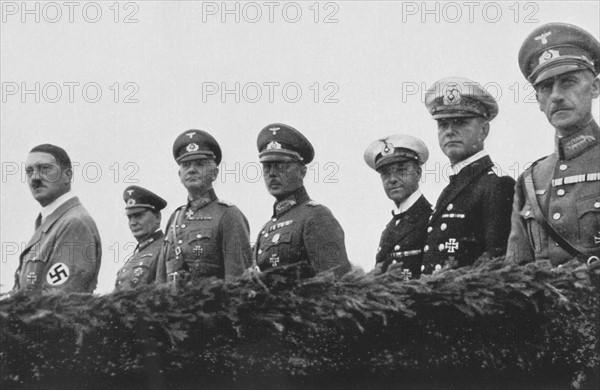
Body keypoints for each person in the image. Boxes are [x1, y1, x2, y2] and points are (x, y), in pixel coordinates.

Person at [506, 22, 600, 267]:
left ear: (595, 87)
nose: (556, 95)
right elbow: (515, 272)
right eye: (546, 87)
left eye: (568, 82)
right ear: (538, 100)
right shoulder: (530, 180)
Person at [421, 77, 515, 274]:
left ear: (484, 130)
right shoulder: (450, 189)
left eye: (460, 122)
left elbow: (497, 265)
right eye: (442, 124)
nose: (449, 131)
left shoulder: (497, 186)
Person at [253, 123, 351, 277]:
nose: (272, 173)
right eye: (267, 167)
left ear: (302, 171)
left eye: (281, 166)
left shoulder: (316, 216)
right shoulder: (267, 228)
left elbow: (336, 283)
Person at [155, 129, 251, 286]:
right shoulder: (175, 218)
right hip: (172, 309)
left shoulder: (228, 215)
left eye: (199, 164)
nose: (192, 169)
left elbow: (237, 281)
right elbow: (160, 280)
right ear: (180, 175)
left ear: (214, 173)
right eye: (186, 165)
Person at [13, 144, 102, 293]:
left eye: (45, 168)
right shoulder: (51, 222)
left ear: (67, 175)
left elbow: (61, 301)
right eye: (29, 171)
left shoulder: (74, 223)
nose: (35, 177)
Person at [364, 134, 432, 279]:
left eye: (401, 170)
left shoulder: (431, 219)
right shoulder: (390, 227)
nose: (392, 179)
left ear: (418, 173)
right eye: (385, 173)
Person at [115, 185, 167, 290]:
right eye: (130, 217)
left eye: (139, 216)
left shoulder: (166, 248)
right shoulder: (136, 255)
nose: (133, 223)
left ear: (157, 217)